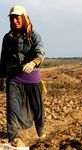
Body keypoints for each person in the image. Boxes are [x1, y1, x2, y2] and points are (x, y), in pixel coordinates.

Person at [0, 5, 46, 145]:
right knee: (12, 108)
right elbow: (3, 60)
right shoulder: (7, 38)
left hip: (32, 77)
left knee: (37, 108)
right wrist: (1, 77)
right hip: (13, 78)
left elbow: (40, 53)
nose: (15, 21)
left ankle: (41, 133)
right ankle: (13, 139)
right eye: (12, 18)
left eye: (17, 17)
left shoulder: (34, 36)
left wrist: (33, 62)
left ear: (24, 18)